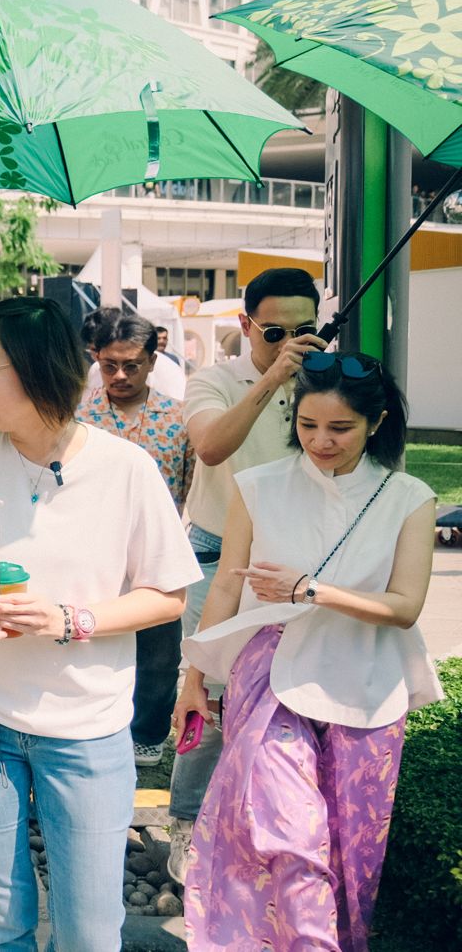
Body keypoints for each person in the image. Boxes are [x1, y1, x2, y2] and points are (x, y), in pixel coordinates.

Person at [0, 297, 200, 951]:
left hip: (84, 730)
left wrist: (69, 619)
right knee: (1, 927)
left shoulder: (126, 468)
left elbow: (167, 596)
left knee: (88, 935)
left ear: (38, 366)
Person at [176, 354, 440, 951]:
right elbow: (226, 589)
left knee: (351, 853)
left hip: (367, 682)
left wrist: (311, 590)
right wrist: (195, 679)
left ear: (376, 422)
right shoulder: (258, 485)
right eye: (307, 424)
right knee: (290, 838)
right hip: (271, 674)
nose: (321, 441)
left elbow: (405, 606)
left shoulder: (409, 497)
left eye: (340, 428)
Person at [166, 267, 325, 880]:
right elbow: (211, 447)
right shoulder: (214, 379)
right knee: (205, 689)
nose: (290, 342)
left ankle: (265, 829)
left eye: (305, 330)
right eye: (275, 331)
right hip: (219, 552)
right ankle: (186, 822)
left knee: (292, 691)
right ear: (247, 325)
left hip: (300, 553)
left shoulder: (325, 379)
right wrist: (274, 377)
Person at [76, 313, 195, 767]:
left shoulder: (178, 417)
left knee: (160, 651)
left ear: (152, 361)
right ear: (97, 360)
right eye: (110, 365)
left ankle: (147, 734)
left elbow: (189, 484)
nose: (120, 375)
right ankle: (95, 726)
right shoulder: (79, 417)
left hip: (158, 551)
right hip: (91, 552)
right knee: (93, 641)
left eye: (132, 365)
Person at [84, 307, 186, 400]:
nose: (120, 376)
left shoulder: (168, 372)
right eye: (109, 366)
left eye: (131, 367)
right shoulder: (95, 370)